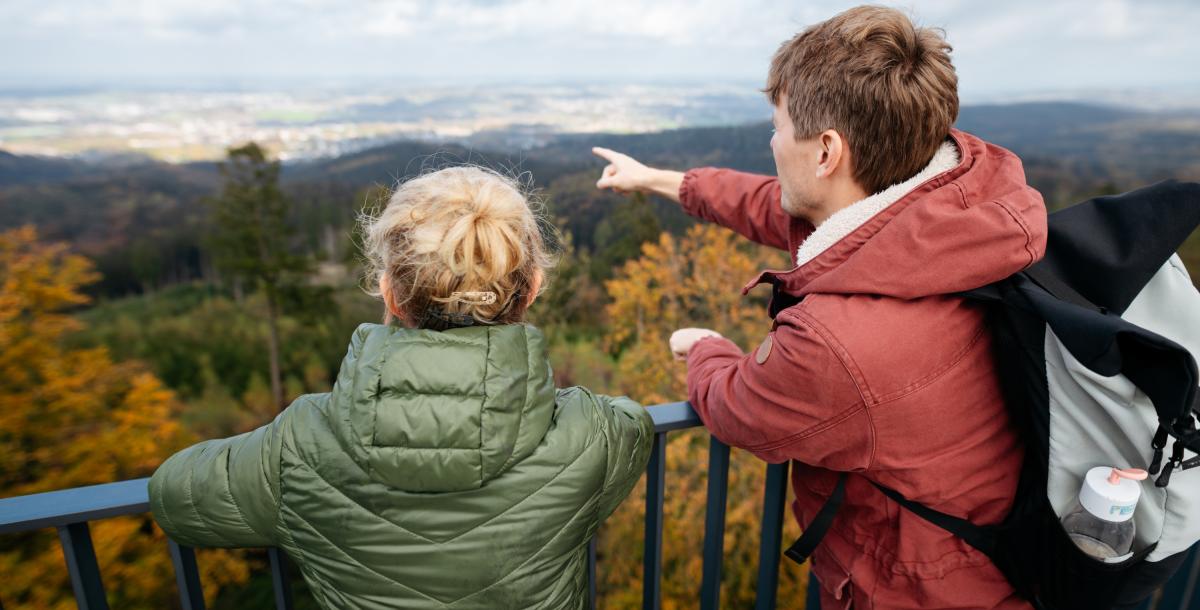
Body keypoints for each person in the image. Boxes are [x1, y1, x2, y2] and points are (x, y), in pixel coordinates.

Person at [593, 6, 1046, 609]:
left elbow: (740, 409)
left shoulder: (838, 346)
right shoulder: (950, 214)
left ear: (827, 152)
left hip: (919, 593)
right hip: (998, 557)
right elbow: (773, 203)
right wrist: (659, 180)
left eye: (778, 127)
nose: (772, 142)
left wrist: (703, 348)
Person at [149, 166, 655, 609]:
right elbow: (635, 422)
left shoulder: (298, 446)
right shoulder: (593, 436)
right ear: (534, 289)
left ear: (389, 291)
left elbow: (173, 495)